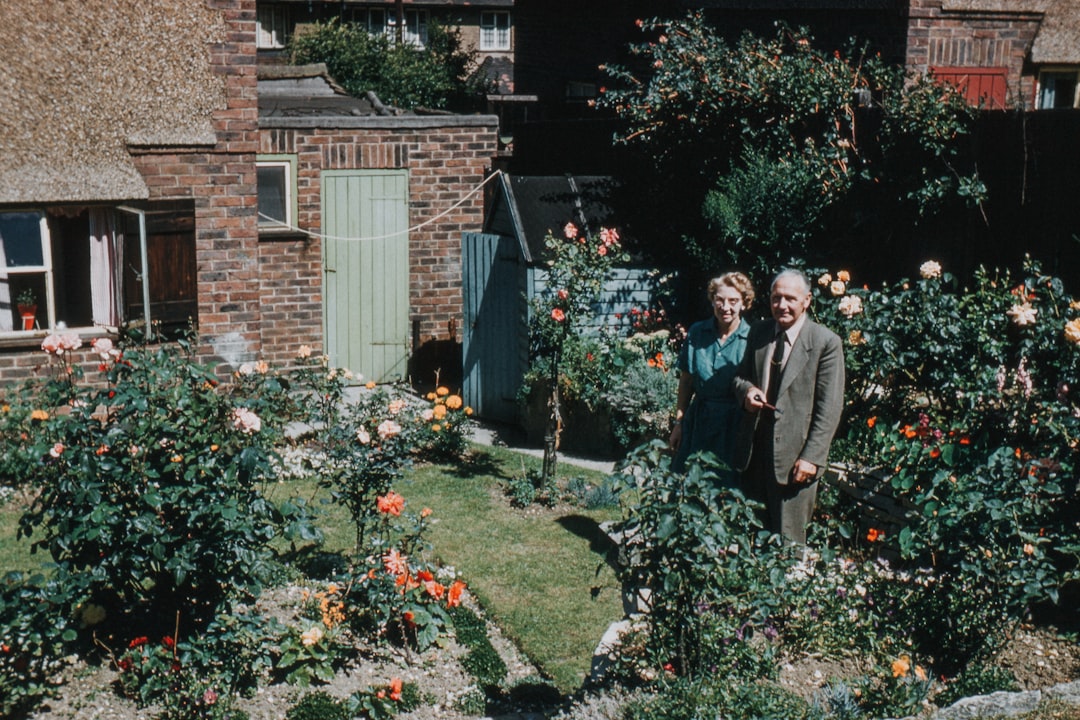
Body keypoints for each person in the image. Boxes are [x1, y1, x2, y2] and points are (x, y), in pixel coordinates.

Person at [732, 269, 845, 543]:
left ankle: (787, 586)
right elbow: (739, 377)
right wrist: (746, 392)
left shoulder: (825, 343)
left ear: (806, 301)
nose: (781, 305)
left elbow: (829, 409)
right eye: (775, 298)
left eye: (790, 299)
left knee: (789, 540)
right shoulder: (758, 332)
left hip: (795, 459)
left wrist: (812, 457)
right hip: (754, 451)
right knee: (752, 534)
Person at [668, 272, 754, 477]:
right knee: (688, 481)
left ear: (744, 303)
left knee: (725, 485)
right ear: (712, 301)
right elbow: (687, 380)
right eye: (720, 300)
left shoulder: (752, 338)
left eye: (733, 301)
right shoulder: (698, 332)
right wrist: (679, 423)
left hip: (733, 426)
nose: (726, 307)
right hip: (698, 421)